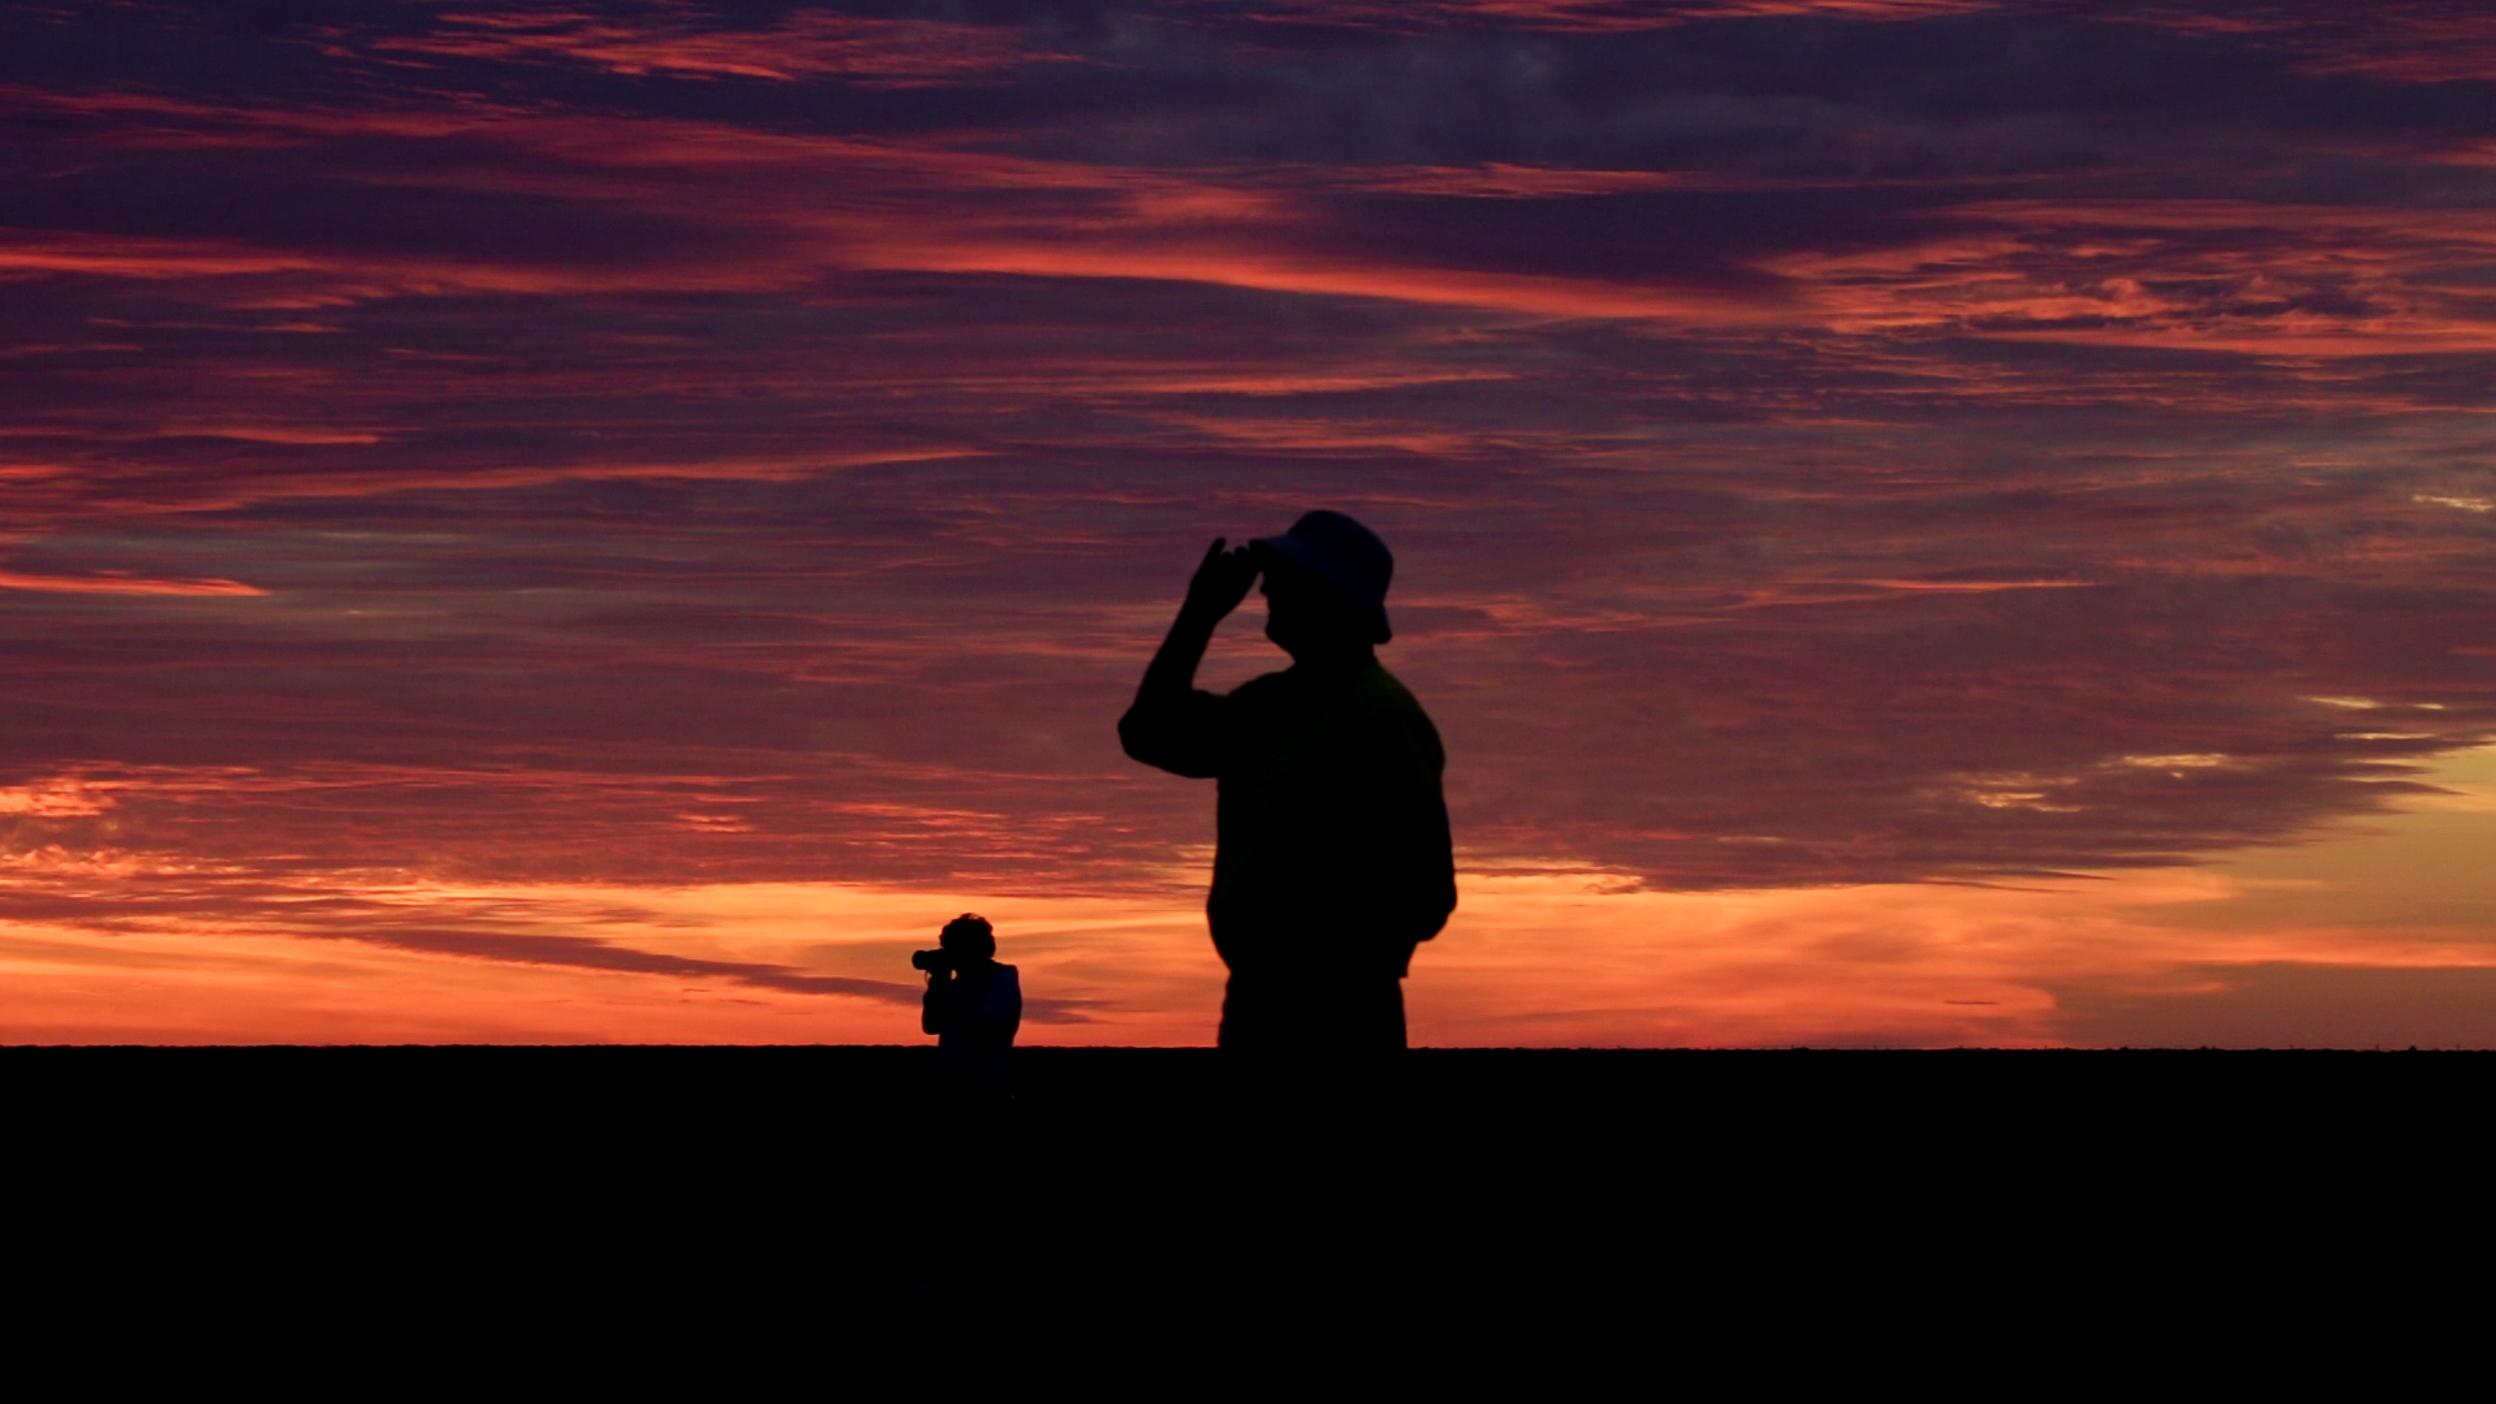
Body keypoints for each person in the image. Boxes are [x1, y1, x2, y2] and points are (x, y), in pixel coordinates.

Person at [1117, 509, 1456, 1063]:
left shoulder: (1382, 717)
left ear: (1327, 594)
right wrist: (1199, 614)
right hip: (1261, 1004)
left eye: (1285, 577)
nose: (1266, 589)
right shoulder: (1268, 705)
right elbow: (1151, 731)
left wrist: (1338, 963)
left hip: (1340, 1016)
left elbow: (1425, 888)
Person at [918, 913, 1021, 1096]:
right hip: (950, 1084)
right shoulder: (953, 986)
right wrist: (937, 984)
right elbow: (931, 1025)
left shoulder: (1002, 979)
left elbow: (984, 1021)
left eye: (954, 949)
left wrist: (945, 987)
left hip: (987, 1087)